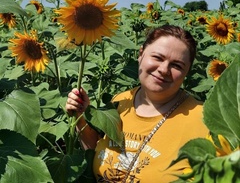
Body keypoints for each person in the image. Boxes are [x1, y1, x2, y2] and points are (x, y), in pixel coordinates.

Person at [66, 25, 209, 182]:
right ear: (141, 54)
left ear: (187, 72)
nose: (163, 69)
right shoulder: (120, 101)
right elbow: (98, 153)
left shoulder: (203, 120)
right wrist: (80, 117)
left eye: (176, 65)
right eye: (157, 57)